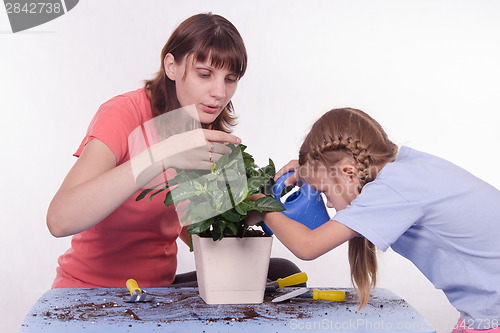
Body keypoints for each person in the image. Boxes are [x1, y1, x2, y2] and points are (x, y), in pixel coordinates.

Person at [47, 13, 303, 289]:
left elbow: (208, 228)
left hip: (157, 293)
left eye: (230, 79)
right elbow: (59, 220)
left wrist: (272, 190)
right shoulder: (122, 114)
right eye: (204, 74)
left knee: (280, 272)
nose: (219, 92)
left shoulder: (205, 127)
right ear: (171, 66)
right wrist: (162, 154)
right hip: (90, 291)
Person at [248, 107, 500, 332]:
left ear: (348, 171)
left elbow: (307, 245)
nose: (327, 203)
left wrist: (259, 202)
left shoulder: (390, 191)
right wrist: (317, 172)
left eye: (324, 191)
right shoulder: (404, 168)